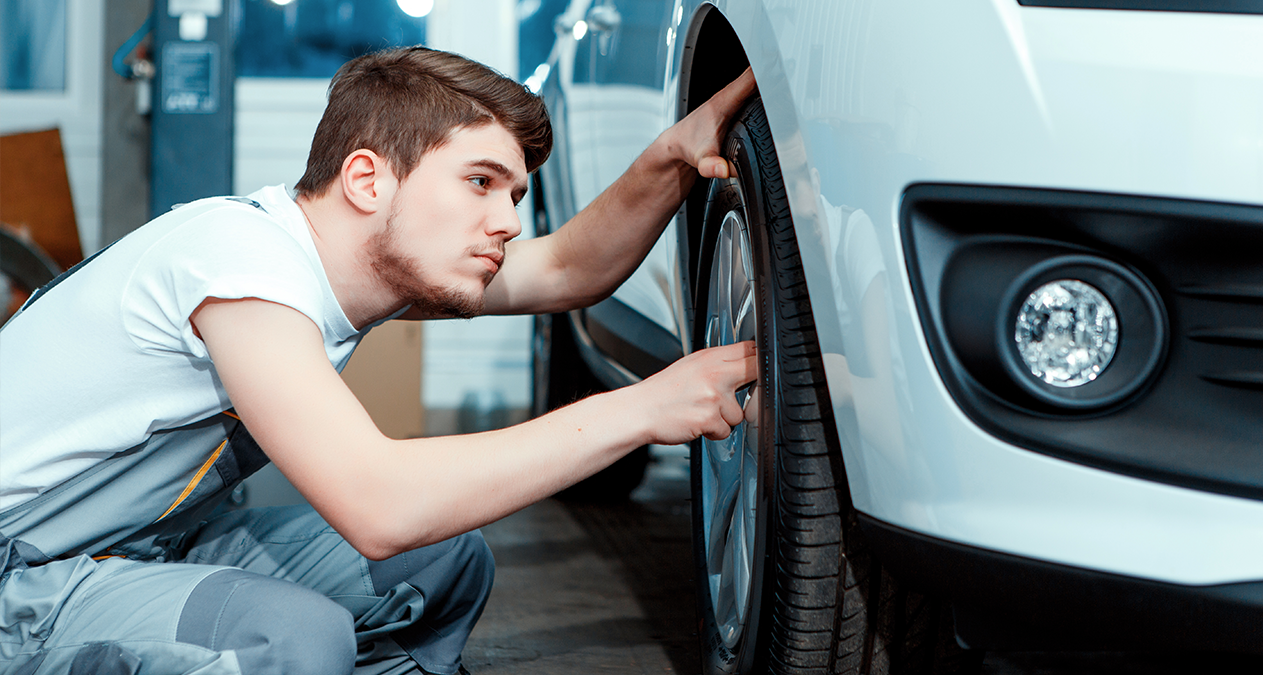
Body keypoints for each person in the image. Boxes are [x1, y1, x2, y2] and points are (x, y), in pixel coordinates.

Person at [0, 47, 757, 674]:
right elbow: (381, 506)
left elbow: (566, 270)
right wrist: (644, 408)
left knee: (444, 559)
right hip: (22, 576)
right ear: (367, 179)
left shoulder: (341, 270)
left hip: (141, 542)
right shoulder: (240, 267)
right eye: (480, 182)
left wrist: (670, 158)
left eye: (515, 194)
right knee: (292, 641)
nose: (507, 222)